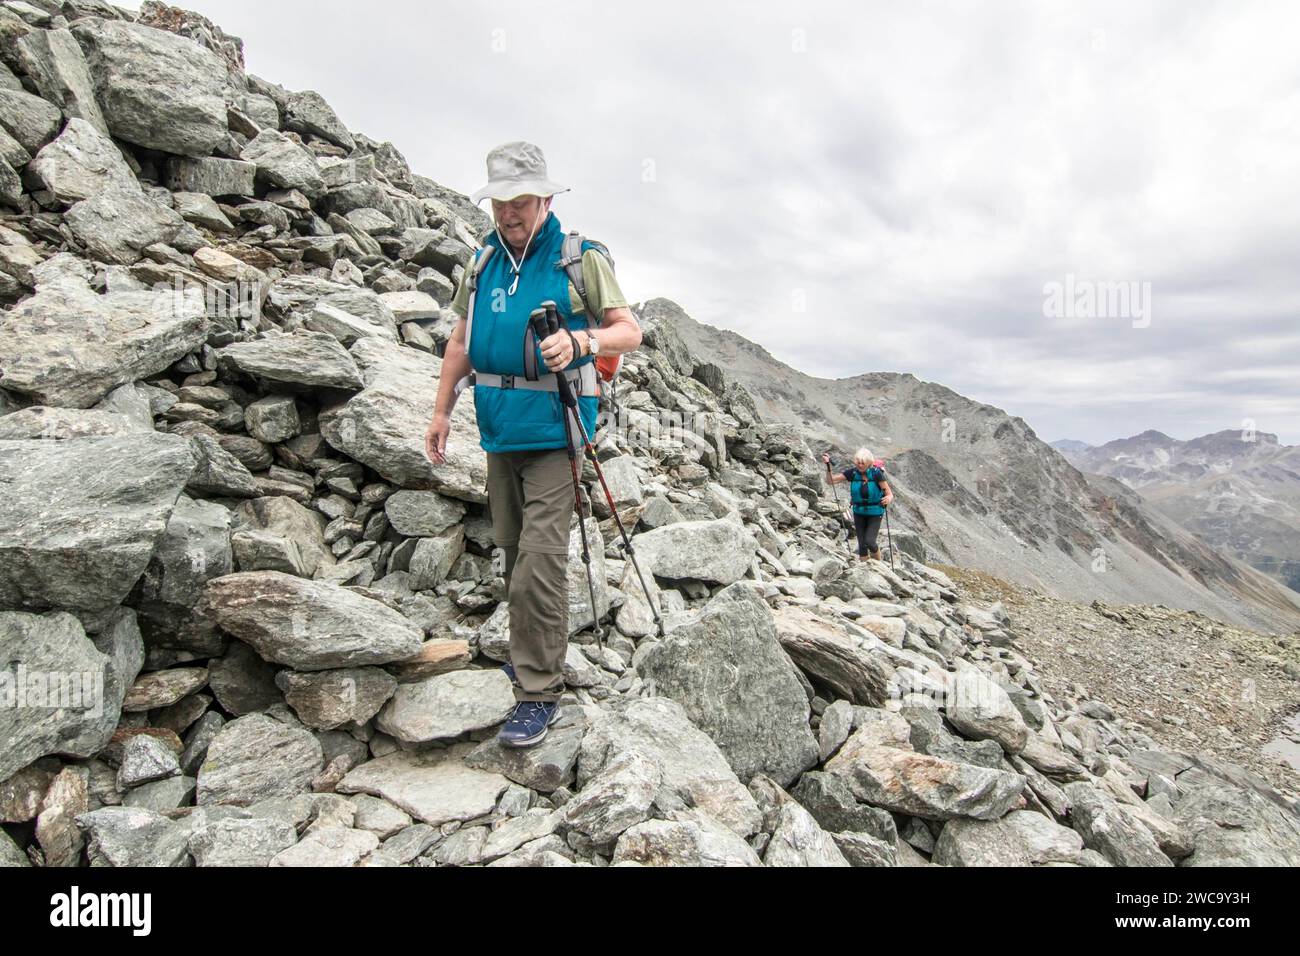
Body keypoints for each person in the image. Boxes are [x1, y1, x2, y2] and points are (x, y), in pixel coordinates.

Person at [425, 142, 642, 748]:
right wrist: (441, 412)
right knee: (514, 551)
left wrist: (582, 343)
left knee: (540, 560)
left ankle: (538, 690)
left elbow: (630, 331)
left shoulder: (579, 258)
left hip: (557, 430)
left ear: (545, 198)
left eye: (520, 201)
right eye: (499, 202)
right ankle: (528, 654)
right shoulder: (482, 260)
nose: (509, 213)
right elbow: (461, 343)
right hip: (498, 430)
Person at [822, 449, 894, 561]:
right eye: (858, 463)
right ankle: (864, 569)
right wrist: (828, 467)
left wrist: (888, 498)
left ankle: (878, 566)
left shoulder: (876, 474)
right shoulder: (853, 473)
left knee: (870, 542)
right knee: (862, 545)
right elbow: (830, 481)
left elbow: (889, 494)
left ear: (869, 463)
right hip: (859, 512)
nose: (860, 465)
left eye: (863, 463)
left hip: (875, 512)